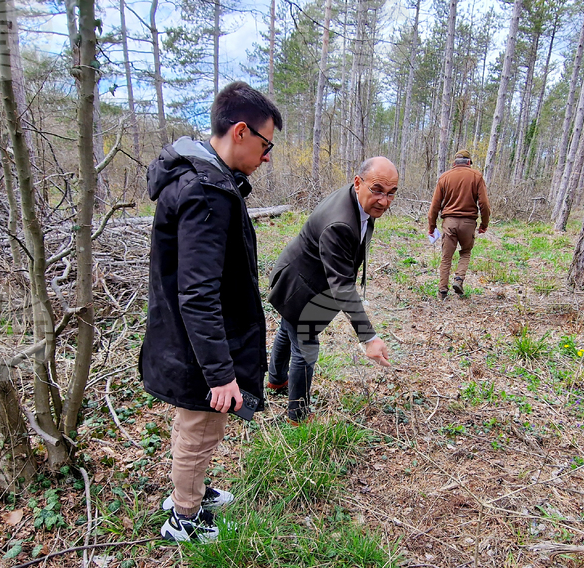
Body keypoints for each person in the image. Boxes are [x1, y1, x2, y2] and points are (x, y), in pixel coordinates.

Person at [140, 82, 281, 543]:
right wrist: (221, 374)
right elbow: (198, 294)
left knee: (193, 423)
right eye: (266, 144)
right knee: (202, 426)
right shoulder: (206, 192)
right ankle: (184, 517)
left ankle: (190, 491)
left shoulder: (202, 179)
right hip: (199, 347)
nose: (267, 156)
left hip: (188, 340)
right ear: (240, 131)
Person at [266, 157, 398, 423]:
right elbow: (341, 284)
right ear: (358, 183)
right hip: (297, 286)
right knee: (304, 348)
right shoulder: (340, 222)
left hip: (302, 277)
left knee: (287, 329)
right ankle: (297, 415)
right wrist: (369, 338)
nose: (384, 201)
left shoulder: (357, 200)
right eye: (378, 190)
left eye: (391, 193)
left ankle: (276, 380)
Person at [427, 149, 491, 300]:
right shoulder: (477, 176)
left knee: (446, 256)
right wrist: (484, 223)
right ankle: (458, 279)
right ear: (469, 162)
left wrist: (431, 226)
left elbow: (434, 206)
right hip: (468, 223)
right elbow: (484, 204)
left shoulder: (444, 177)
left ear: (454, 163)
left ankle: (442, 291)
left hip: (449, 223)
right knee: (466, 251)